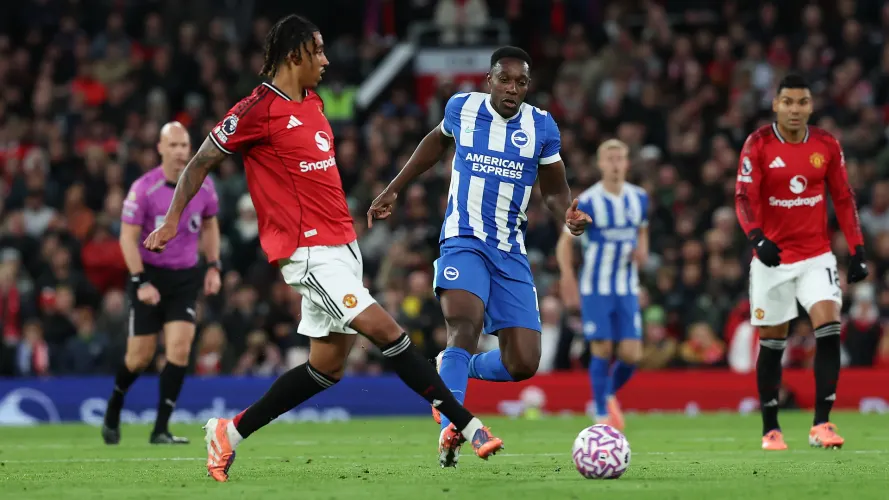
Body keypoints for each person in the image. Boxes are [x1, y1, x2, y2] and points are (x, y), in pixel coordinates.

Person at [142, 14, 503, 482]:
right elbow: (200, 162)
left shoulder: (313, 103)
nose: (327, 61)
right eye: (319, 51)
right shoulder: (256, 108)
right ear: (296, 55)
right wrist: (173, 219)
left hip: (344, 247)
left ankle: (228, 434)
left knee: (326, 369)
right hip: (307, 253)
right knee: (387, 332)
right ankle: (467, 424)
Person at [368, 46, 591, 467]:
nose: (512, 88)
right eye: (504, 79)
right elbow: (433, 146)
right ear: (489, 79)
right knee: (464, 323)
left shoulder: (541, 126)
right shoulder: (461, 108)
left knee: (523, 362)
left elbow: (555, 189)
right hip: (463, 238)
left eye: (521, 82)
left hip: (510, 250)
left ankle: (452, 369)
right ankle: (453, 424)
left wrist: (567, 215)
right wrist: (394, 187)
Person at [734, 74, 868, 451]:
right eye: (788, 102)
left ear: (811, 106)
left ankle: (821, 424)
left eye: (802, 102)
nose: (795, 110)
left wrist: (857, 249)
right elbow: (743, 196)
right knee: (772, 344)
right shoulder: (758, 144)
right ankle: (771, 429)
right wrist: (757, 238)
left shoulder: (826, 144)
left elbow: (843, 197)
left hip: (816, 255)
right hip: (772, 259)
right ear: (776, 104)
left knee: (829, 327)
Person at [102, 121, 222, 445]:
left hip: (184, 278)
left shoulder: (205, 186)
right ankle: (114, 404)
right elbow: (127, 240)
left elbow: (210, 227)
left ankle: (161, 429)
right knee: (139, 358)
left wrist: (213, 266)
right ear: (160, 148)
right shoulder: (143, 189)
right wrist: (140, 281)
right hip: (149, 276)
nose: (181, 151)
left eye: (185, 145)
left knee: (180, 350)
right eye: (174, 146)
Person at [555, 139, 648, 431]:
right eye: (609, 158)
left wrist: (643, 250)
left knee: (632, 354)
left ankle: (606, 393)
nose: (615, 163)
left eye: (620, 157)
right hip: (595, 287)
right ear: (600, 164)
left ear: (627, 163)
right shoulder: (589, 201)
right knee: (602, 348)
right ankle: (599, 411)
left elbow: (642, 229)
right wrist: (567, 277)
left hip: (626, 286)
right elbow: (564, 243)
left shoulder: (639, 197)